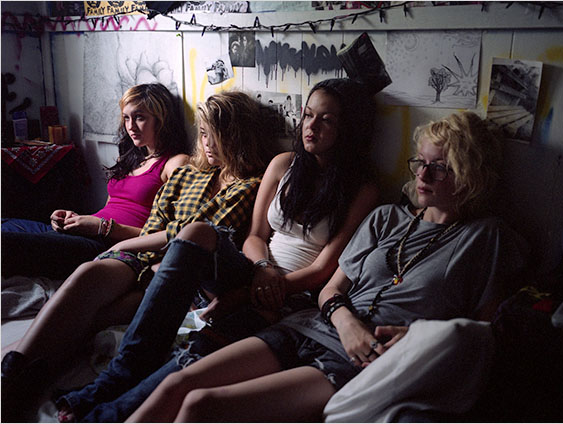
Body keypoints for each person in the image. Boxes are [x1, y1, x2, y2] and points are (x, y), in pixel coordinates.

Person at [126, 111, 529, 423]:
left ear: (469, 173)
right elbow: (331, 288)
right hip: (312, 324)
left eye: (439, 167)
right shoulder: (387, 217)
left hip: (360, 358)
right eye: (420, 162)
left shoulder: (486, 236)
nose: (423, 175)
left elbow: (481, 333)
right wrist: (346, 322)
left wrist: (418, 337)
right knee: (178, 383)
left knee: (201, 405)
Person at [56, 78, 380, 422]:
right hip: (256, 268)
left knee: (199, 352)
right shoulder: (284, 164)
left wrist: (260, 290)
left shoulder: (362, 190)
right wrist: (262, 269)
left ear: (348, 128)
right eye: (308, 115)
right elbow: (255, 236)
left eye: (326, 120)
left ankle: (106, 414)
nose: (311, 127)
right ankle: (118, 375)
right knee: (198, 231)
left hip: (292, 293)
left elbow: (324, 268)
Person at [1, 91, 277, 422]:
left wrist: (118, 241)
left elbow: (203, 233)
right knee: (88, 274)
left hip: (180, 275)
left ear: (237, 138)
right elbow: (152, 226)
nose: (207, 143)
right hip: (144, 255)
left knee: (97, 318)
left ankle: (38, 381)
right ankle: (12, 375)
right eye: (203, 134)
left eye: (215, 135)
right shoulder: (187, 174)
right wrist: (124, 246)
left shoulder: (250, 185)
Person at [1, 83, 189, 280]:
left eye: (139, 117)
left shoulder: (175, 163)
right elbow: (110, 208)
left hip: (104, 245)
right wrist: (73, 219)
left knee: (6, 243)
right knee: (5, 222)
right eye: (126, 118)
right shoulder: (129, 159)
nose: (130, 126)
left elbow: (172, 234)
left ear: (161, 120)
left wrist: (103, 227)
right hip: (87, 233)